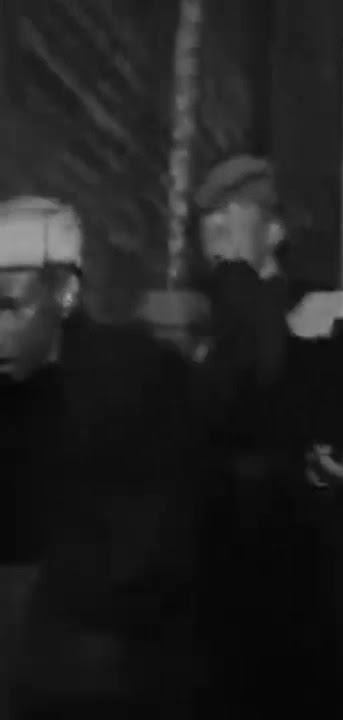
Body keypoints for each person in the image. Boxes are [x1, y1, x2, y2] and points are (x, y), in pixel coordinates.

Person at [0, 196, 211, 719]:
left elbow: (167, 534)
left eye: (9, 307)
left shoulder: (139, 380)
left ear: (65, 293)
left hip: (110, 675)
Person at [187, 155, 343, 719]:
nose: (217, 226)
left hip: (302, 589)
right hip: (213, 591)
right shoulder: (195, 327)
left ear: (275, 230)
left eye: (234, 211)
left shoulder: (329, 312)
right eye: (209, 215)